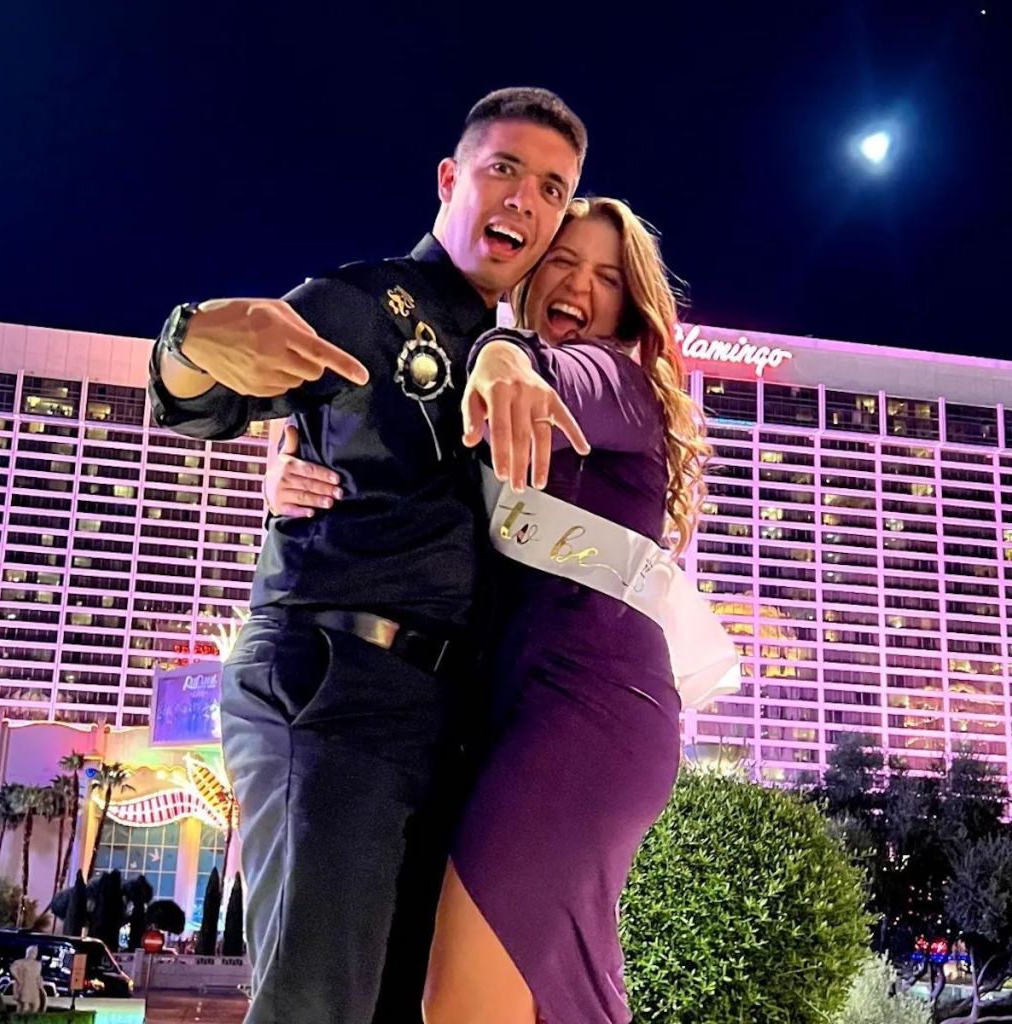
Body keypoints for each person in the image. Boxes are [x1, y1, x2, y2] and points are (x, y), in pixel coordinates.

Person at [147, 87, 590, 1024]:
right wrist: (188, 337)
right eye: (503, 169)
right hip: (336, 683)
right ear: (449, 178)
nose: (524, 201)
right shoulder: (359, 302)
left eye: (551, 189)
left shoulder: (523, 351)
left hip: (449, 715)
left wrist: (512, 350)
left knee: (397, 1003)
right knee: (319, 1003)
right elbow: (202, 403)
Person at [268, 197, 736, 1024]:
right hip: (514, 719)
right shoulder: (474, 388)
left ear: (631, 306)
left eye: (608, 277)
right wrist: (291, 472)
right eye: (564, 262)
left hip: (586, 719)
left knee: (464, 1005)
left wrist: (512, 359)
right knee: (547, 1000)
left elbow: (555, 379)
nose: (580, 288)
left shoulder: (614, 385)